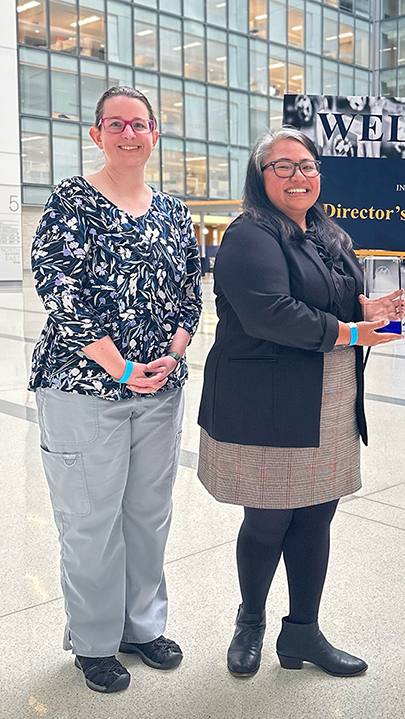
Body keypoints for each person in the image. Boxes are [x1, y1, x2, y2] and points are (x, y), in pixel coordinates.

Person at [197, 126, 404, 679]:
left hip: (329, 395)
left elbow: (330, 301)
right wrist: (357, 332)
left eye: (307, 166)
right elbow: (272, 313)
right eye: (282, 166)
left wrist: (368, 306)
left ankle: (303, 634)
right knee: (268, 520)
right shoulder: (249, 235)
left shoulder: (327, 234)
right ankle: (251, 621)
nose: (298, 176)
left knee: (316, 517)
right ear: (259, 176)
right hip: (267, 400)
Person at [29, 86, 202, 693]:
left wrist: (170, 356)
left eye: (141, 124)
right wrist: (121, 367)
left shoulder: (175, 213)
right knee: (90, 519)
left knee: (148, 516)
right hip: (82, 389)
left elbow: (189, 297)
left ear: (156, 135)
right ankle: (96, 641)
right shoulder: (71, 202)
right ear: (97, 133)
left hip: (160, 391)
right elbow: (60, 288)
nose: (130, 134)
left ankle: (141, 627)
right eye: (117, 124)